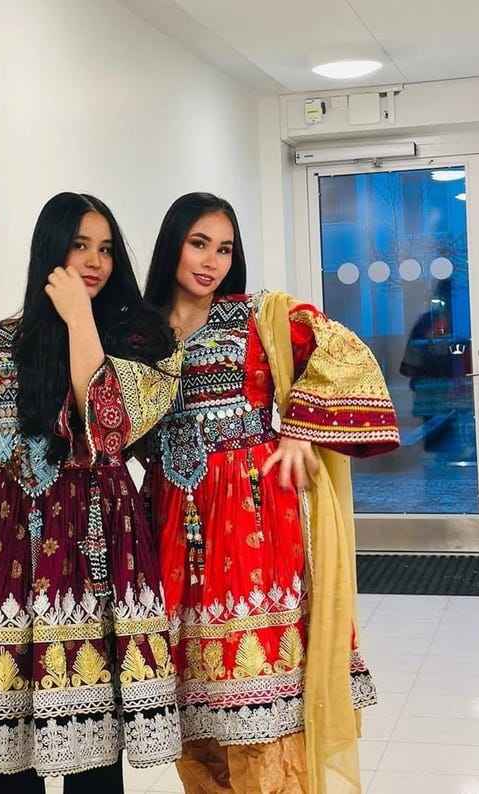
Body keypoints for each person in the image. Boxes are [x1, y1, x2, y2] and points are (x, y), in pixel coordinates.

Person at [0, 192, 184, 793]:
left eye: (106, 248)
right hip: (1, 552)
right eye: (79, 245)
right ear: (50, 250)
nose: (95, 261)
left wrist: (80, 320)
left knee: (91, 754)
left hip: (94, 551)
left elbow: (109, 424)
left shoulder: (144, 340)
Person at [142, 193, 399, 794]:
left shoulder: (260, 316)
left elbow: (344, 352)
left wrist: (300, 427)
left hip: (254, 513)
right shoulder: (139, 332)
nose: (212, 261)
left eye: (224, 248)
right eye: (198, 244)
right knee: (191, 703)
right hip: (173, 514)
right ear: (172, 245)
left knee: (263, 698)